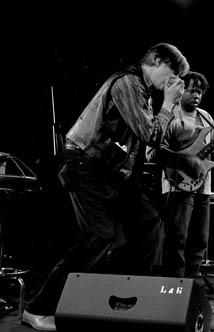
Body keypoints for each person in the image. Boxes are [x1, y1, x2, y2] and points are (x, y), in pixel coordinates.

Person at [21, 43, 192, 331]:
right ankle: (37, 307)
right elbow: (150, 133)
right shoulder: (128, 83)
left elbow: (142, 145)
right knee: (99, 235)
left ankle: (131, 303)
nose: (175, 81)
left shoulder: (144, 92)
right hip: (85, 165)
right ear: (156, 60)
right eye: (173, 72)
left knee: (148, 221)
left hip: (111, 172)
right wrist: (168, 105)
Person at [158, 71, 214, 278]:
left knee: (199, 241)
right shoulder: (171, 116)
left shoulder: (206, 117)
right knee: (178, 238)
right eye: (192, 91)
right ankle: (173, 285)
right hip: (177, 184)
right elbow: (158, 149)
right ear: (181, 90)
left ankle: (191, 286)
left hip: (203, 186)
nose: (197, 96)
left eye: (200, 92)